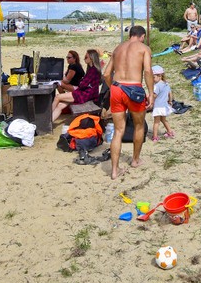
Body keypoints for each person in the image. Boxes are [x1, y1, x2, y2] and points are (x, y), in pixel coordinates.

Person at [103, 25, 153, 180]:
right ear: (142, 36)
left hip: (117, 88)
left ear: (130, 34)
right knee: (138, 125)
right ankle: (135, 160)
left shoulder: (118, 49)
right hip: (134, 89)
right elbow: (147, 71)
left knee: (118, 131)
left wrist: (113, 88)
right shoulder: (144, 48)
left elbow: (106, 74)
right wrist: (151, 93)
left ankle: (114, 171)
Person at [51, 49, 102, 121]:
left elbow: (82, 85)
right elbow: (83, 83)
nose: (84, 59)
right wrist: (81, 82)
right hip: (85, 93)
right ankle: (49, 122)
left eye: (86, 57)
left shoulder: (93, 70)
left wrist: (81, 83)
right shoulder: (91, 69)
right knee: (60, 105)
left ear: (91, 58)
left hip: (85, 95)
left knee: (57, 97)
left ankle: (47, 119)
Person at [150, 65, 174, 141]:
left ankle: (155, 137)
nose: (152, 79)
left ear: (159, 76)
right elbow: (170, 94)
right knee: (164, 120)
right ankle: (170, 132)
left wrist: (149, 97)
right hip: (164, 106)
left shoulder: (157, 86)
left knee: (156, 122)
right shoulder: (165, 84)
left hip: (158, 107)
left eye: (153, 77)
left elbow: (154, 96)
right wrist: (170, 101)